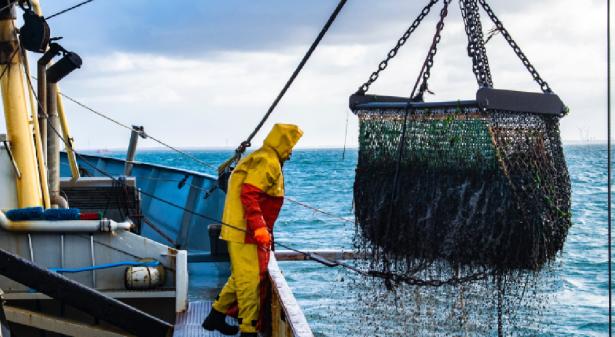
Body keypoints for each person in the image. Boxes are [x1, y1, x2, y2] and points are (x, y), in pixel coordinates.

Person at [202, 123, 303, 337]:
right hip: (245, 231)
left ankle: (216, 316)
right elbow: (249, 193)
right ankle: (248, 331)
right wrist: (259, 227)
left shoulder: (263, 156)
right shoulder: (268, 161)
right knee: (250, 282)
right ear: (283, 143)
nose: (292, 152)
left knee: (241, 276)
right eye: (291, 146)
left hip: (239, 229)